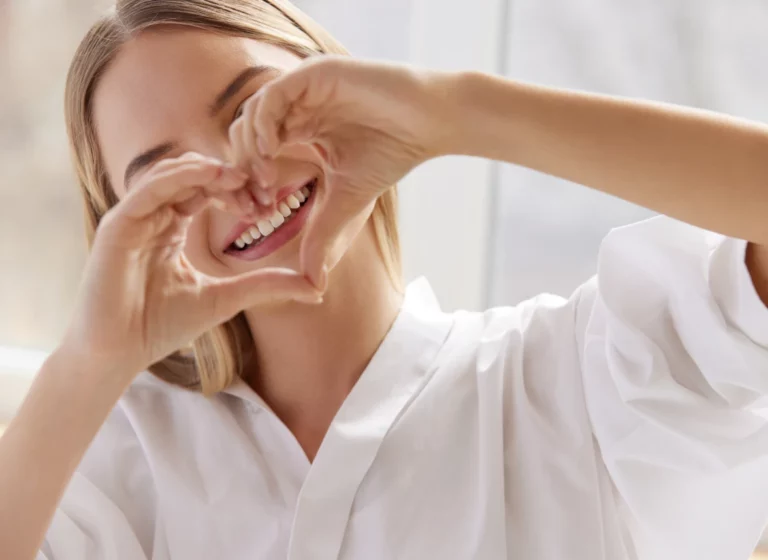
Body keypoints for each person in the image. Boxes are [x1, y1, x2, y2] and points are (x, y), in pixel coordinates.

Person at [2, 0, 768, 558]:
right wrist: (91, 360)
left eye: (255, 113)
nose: (236, 175)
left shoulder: (576, 380)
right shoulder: (108, 455)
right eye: (167, 173)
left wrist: (451, 113)